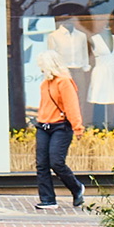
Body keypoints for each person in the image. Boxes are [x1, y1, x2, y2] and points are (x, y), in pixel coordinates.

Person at [33, 50, 85, 210]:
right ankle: (48, 199)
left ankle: (77, 188)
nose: (41, 69)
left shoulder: (64, 82)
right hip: (43, 125)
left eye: (42, 66)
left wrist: (77, 127)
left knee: (56, 162)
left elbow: (72, 105)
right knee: (41, 163)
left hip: (60, 126)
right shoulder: (45, 84)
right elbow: (44, 106)